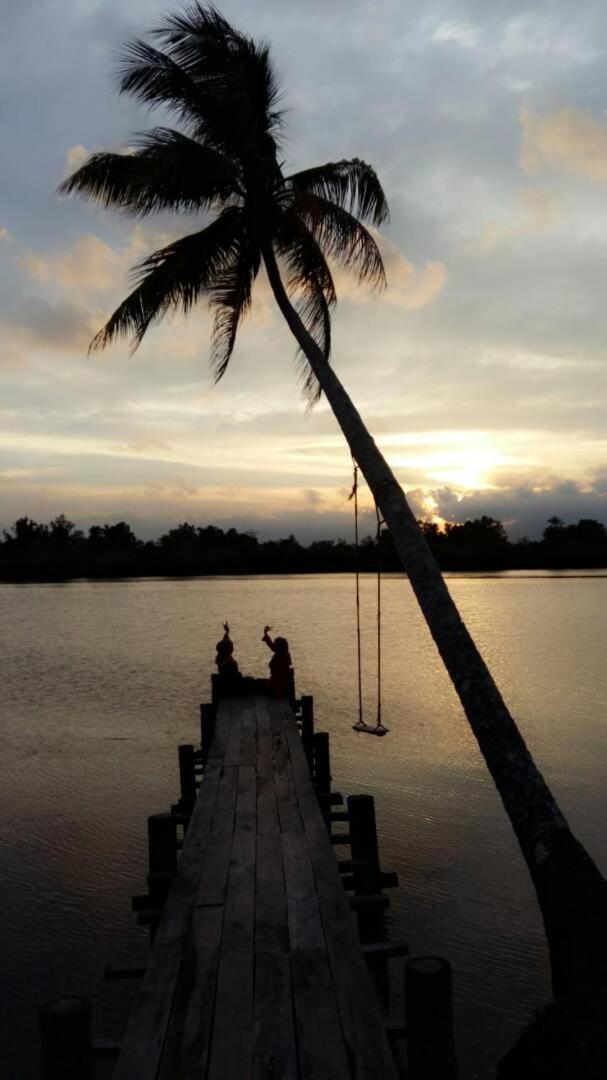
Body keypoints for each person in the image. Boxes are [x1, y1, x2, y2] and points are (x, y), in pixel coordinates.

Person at [261, 625, 292, 698]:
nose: (275, 646)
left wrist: (274, 688)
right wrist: (265, 634)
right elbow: (272, 646)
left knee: (258, 684)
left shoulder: (282, 658)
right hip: (275, 682)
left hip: (277, 686)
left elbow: (280, 678)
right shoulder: (281, 654)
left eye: (276, 645)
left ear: (281, 647)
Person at [214, 621, 243, 696]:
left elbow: (225, 642)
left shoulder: (221, 659)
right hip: (230, 690)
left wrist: (227, 631)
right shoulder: (230, 663)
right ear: (229, 650)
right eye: (231, 647)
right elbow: (234, 678)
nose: (232, 648)